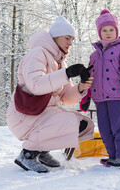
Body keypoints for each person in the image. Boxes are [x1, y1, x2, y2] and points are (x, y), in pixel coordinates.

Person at [7, 15, 95, 173]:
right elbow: (35, 85)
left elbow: (65, 98)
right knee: (70, 121)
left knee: (82, 123)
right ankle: (28, 154)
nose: (70, 43)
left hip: (43, 114)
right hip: (26, 114)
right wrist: (66, 74)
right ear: (55, 37)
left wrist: (81, 88)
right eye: (67, 38)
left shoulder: (60, 62)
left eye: (72, 39)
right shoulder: (37, 53)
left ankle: (41, 151)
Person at [80, 9, 120, 170]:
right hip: (100, 98)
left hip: (118, 96)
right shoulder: (94, 55)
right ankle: (114, 157)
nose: (108, 33)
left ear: (117, 31)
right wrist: (86, 96)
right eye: (104, 30)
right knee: (105, 128)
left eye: (111, 29)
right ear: (99, 33)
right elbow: (89, 77)